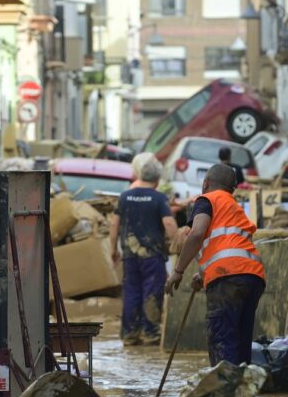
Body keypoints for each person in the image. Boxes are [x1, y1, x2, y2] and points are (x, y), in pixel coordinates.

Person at [165, 163, 266, 366]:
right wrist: (203, 276)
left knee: (223, 341)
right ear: (233, 189)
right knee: (240, 343)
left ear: (205, 183)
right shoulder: (234, 208)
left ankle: (224, 394)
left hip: (228, 278)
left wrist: (178, 271)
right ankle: (242, 393)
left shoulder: (206, 200)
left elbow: (197, 233)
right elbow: (228, 247)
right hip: (253, 277)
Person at [110, 154, 178, 346]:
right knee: (152, 291)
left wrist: (112, 250)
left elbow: (114, 225)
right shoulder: (159, 198)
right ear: (157, 180)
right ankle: (150, 333)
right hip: (152, 256)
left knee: (131, 291)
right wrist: (179, 243)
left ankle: (130, 334)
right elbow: (169, 223)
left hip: (129, 255)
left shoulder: (124, 197)